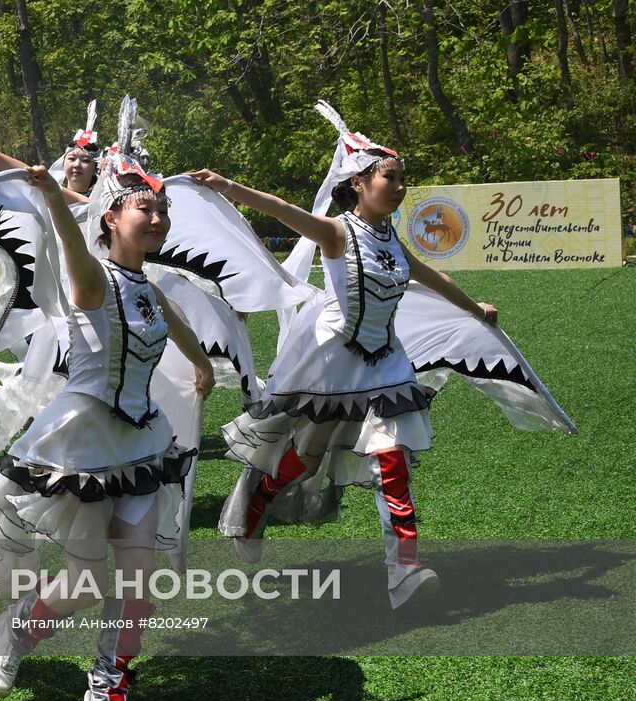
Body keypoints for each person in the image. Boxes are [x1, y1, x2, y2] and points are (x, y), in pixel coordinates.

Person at [0, 158, 214, 701]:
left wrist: (202, 363)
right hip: (82, 448)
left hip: (140, 445)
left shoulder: (146, 285)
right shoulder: (91, 278)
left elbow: (172, 317)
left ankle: (105, 695)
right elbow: (66, 236)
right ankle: (17, 631)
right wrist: (51, 193)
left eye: (163, 211)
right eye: (146, 209)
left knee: (138, 584)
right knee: (84, 584)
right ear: (110, 218)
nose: (158, 217)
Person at [193, 127, 498, 611]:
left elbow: (430, 276)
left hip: (386, 365)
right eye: (390, 178)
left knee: (391, 460)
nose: (400, 187)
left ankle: (404, 569)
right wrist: (230, 187)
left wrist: (475, 309)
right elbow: (282, 210)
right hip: (330, 366)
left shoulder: (392, 240)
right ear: (358, 183)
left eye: (402, 179)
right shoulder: (337, 232)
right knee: (307, 460)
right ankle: (256, 501)